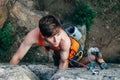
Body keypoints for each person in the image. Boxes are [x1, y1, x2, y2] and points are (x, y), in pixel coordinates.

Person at [10, 15, 108, 69]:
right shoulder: (33, 36)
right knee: (56, 62)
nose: (56, 40)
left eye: (58, 34)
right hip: (57, 51)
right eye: (52, 37)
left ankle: (93, 57)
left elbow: (63, 62)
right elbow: (17, 57)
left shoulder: (64, 40)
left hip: (73, 48)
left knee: (74, 65)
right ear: (43, 36)